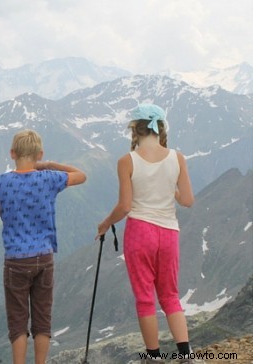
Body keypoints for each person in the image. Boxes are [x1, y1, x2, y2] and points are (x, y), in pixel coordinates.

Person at [96, 104, 196, 364]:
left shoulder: (127, 161)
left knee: (144, 298)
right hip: (169, 233)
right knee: (170, 296)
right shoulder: (178, 157)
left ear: (134, 128)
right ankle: (186, 355)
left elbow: (125, 206)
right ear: (161, 128)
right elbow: (187, 200)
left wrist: (106, 223)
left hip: (140, 232)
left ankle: (153, 358)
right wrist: (167, 190)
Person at [0, 129, 86, 364]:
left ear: (12, 153)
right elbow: (81, 175)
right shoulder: (49, 178)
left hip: (16, 260)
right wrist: (49, 164)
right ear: (39, 154)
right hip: (44, 256)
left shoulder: (2, 181)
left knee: (18, 319)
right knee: (42, 317)